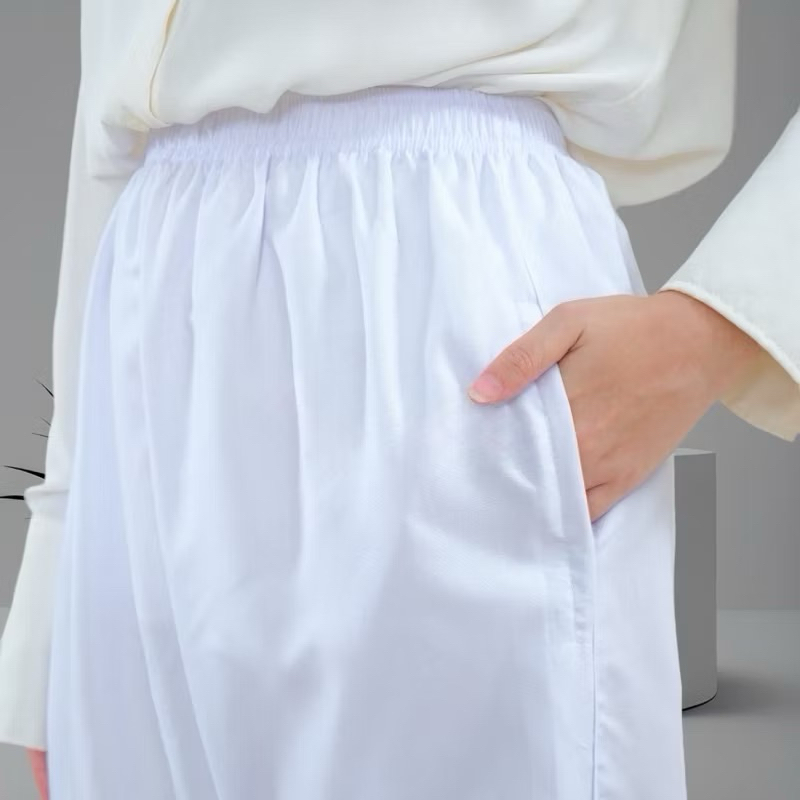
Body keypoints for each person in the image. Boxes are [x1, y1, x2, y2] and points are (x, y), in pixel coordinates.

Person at [0, 2, 797, 798]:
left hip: (441, 281)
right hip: (147, 314)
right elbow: (108, 118)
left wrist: (715, 326)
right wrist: (57, 553)